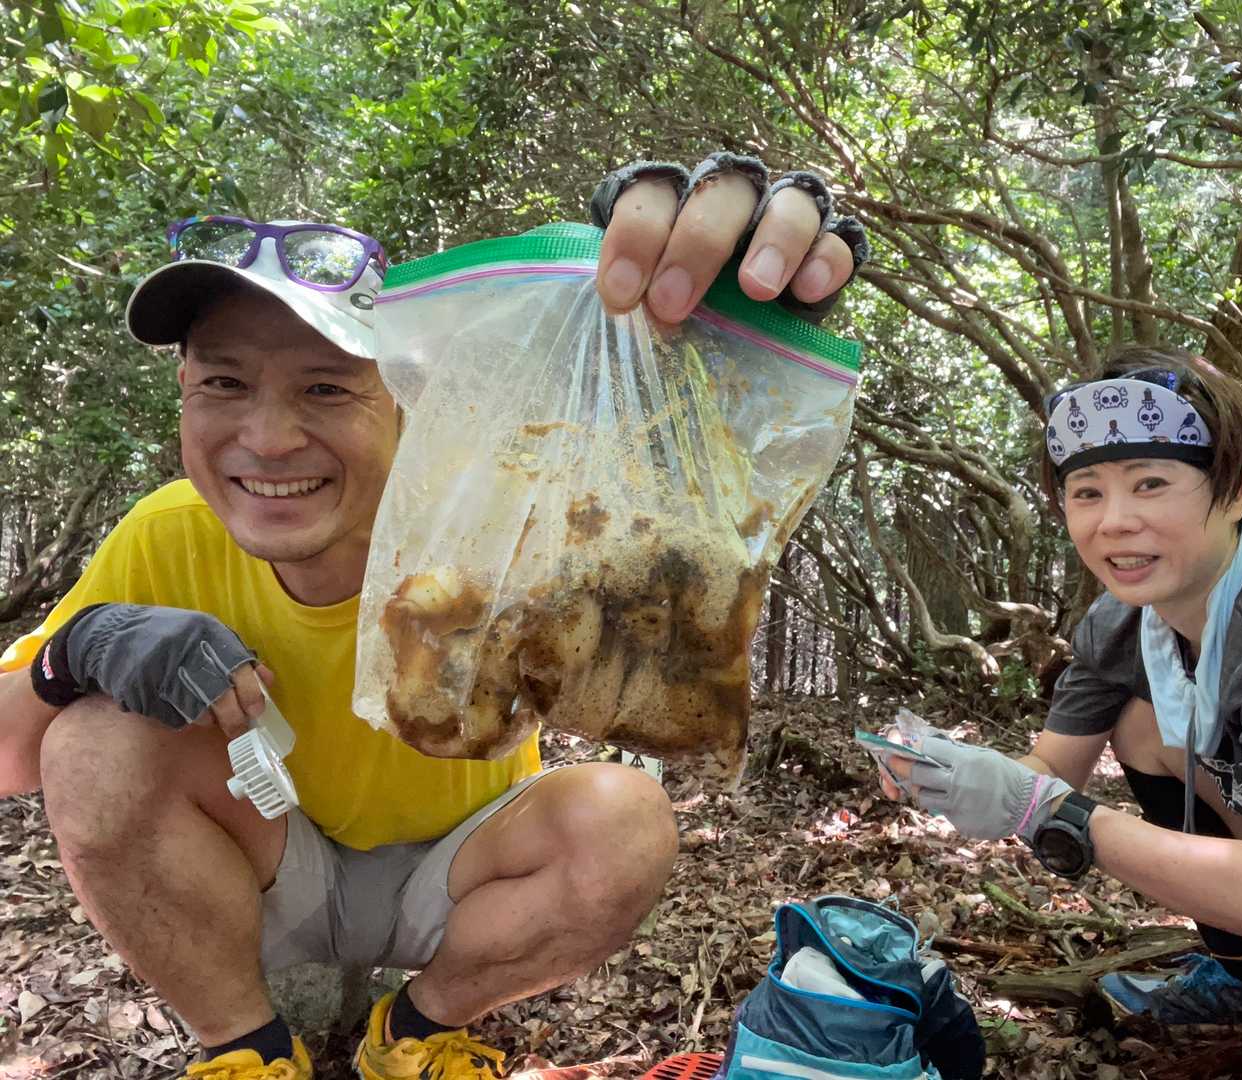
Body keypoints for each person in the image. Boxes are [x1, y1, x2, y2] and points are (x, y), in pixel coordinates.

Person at [0, 154, 867, 1080]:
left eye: (326, 387)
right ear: (183, 389)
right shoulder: (169, 534)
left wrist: (716, 321)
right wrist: (76, 653)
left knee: (627, 820)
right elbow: (10, 760)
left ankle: (414, 1032)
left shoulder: (487, 516)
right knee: (89, 742)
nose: (269, 439)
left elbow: (653, 491)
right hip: (272, 863)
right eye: (224, 384)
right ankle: (248, 1051)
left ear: (407, 400)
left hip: (461, 874)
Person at [875, 345, 1242, 1077]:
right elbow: (1051, 767)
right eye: (1087, 492)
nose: (1114, 522)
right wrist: (953, 773)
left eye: (1151, 484)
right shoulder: (1122, 624)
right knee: (1144, 728)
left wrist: (1057, 816)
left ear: (1238, 489)